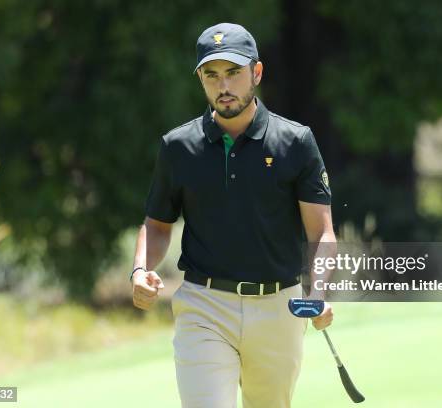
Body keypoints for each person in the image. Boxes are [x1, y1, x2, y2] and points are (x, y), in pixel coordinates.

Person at [131, 22, 336, 408]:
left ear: (256, 73)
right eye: (212, 76)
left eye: (233, 74)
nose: (223, 87)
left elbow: (321, 232)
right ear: (201, 80)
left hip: (279, 307)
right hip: (204, 306)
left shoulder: (295, 142)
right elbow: (157, 224)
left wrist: (319, 292)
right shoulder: (178, 147)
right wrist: (140, 270)